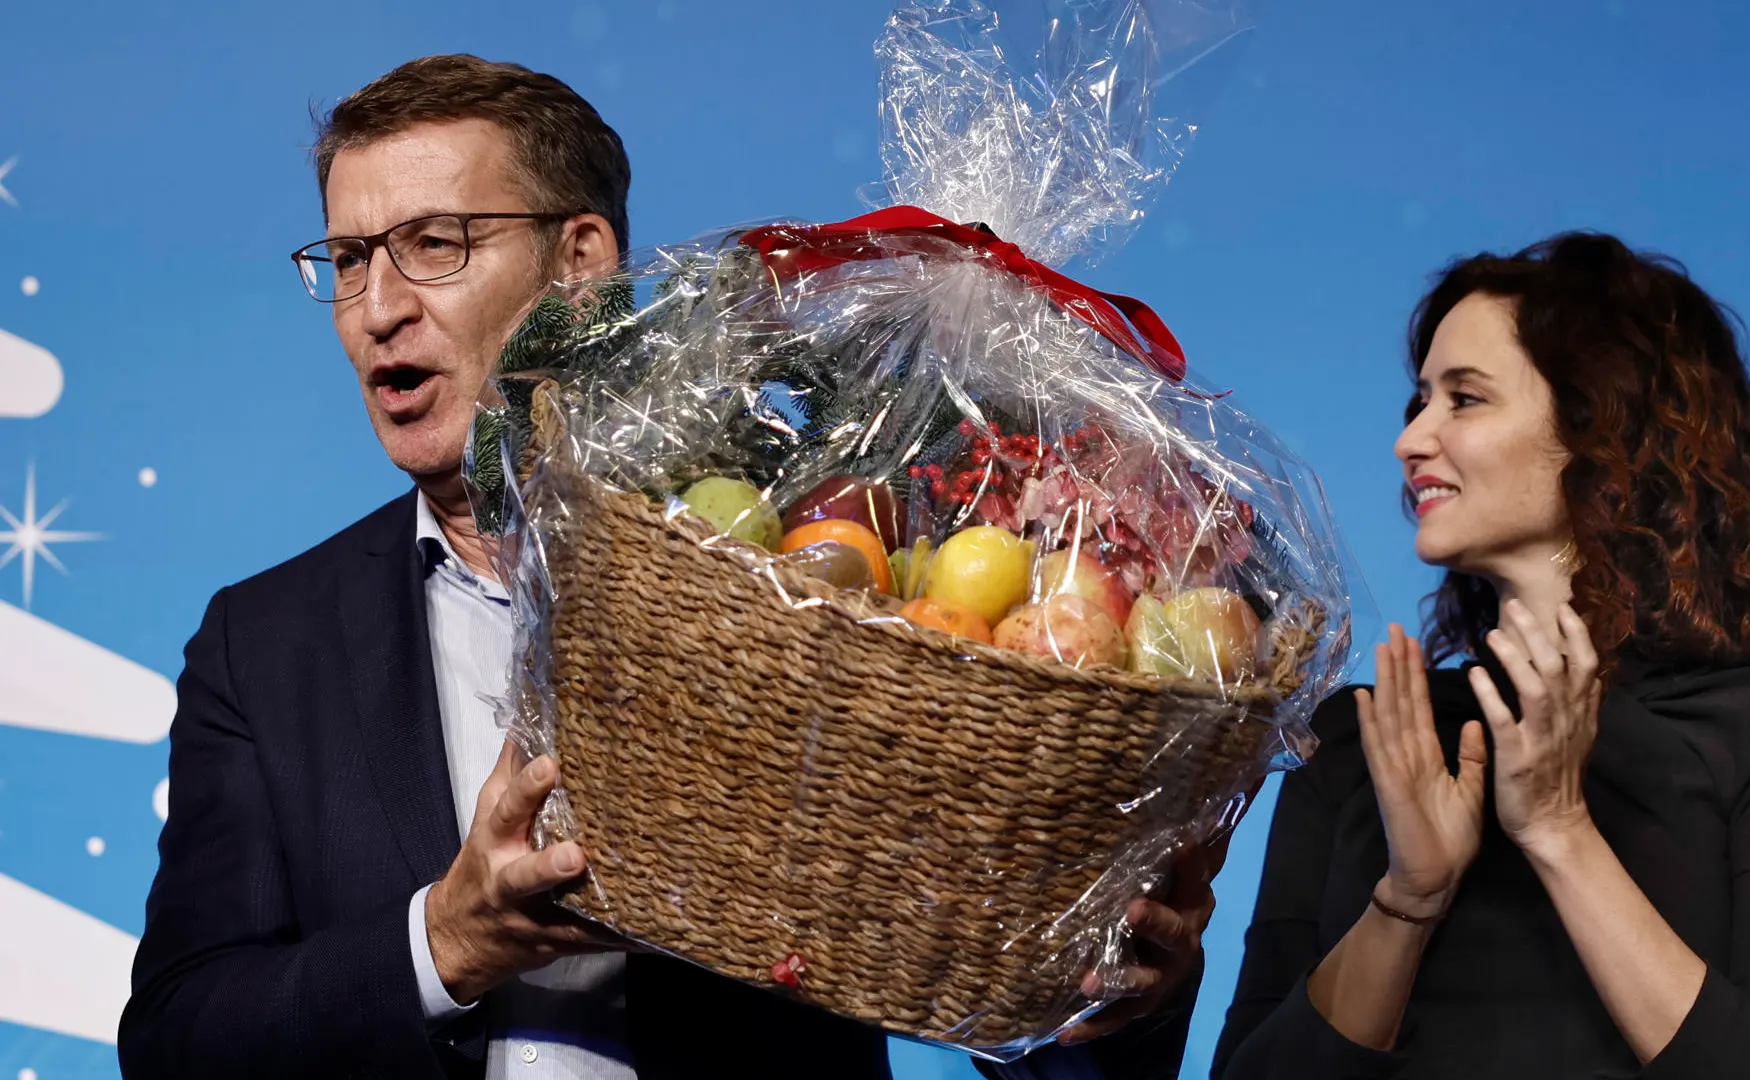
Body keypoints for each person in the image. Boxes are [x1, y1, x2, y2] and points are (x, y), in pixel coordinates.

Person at [118, 54, 1210, 1080]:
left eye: (436, 243)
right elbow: (178, 1036)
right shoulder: (263, 645)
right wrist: (442, 942)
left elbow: (1005, 998)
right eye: (349, 259)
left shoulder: (819, 589)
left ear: (581, 261)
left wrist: (1111, 998)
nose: (379, 307)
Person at [1211, 231, 1750, 1079]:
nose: (1411, 440)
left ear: (1600, 428)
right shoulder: (1363, 739)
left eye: (1464, 399)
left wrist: (1562, 835)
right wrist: (1408, 902)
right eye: (1418, 402)